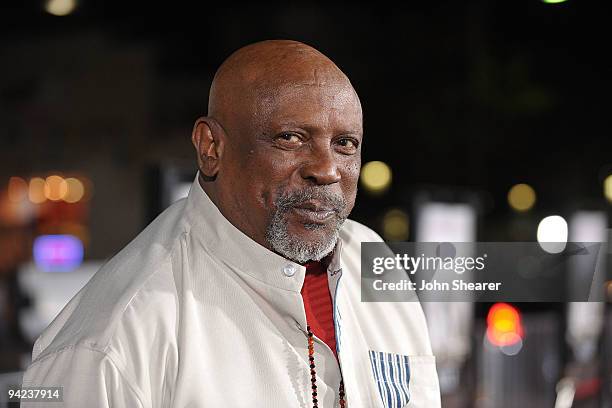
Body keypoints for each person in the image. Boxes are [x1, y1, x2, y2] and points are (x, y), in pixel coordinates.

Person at [21, 40, 440, 407]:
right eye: (290, 138)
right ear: (211, 148)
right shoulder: (111, 341)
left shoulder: (375, 262)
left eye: (345, 144)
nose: (327, 169)